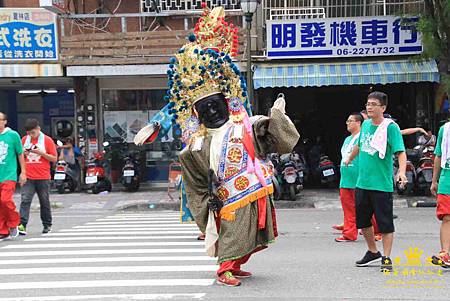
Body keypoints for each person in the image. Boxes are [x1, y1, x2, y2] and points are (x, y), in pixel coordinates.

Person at [137, 6, 299, 287]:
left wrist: (276, 117)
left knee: (251, 231)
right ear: (197, 113)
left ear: (226, 102)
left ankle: (235, 265)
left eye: (216, 104)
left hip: (256, 186)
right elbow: (195, 181)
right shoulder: (197, 144)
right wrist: (156, 125)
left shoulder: (244, 123)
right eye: (205, 108)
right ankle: (224, 268)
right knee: (235, 231)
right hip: (230, 194)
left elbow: (273, 136)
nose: (212, 111)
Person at [345, 91, 407, 272]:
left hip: (381, 184)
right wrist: (350, 157)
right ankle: (373, 252)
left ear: (383, 108)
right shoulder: (364, 125)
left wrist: (402, 172)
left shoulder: (390, 128)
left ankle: (386, 257)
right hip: (362, 183)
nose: (369, 107)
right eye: (368, 104)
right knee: (363, 222)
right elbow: (360, 144)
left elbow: (400, 151)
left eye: (373, 104)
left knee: (385, 222)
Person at [19, 118, 57, 235]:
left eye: (33, 133)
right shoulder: (24, 140)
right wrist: (24, 155)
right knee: (25, 200)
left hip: (43, 176)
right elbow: (20, 157)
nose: (31, 135)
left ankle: (47, 225)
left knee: (44, 201)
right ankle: (22, 225)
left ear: (38, 129)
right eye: (29, 133)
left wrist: (41, 153)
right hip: (29, 176)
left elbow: (54, 158)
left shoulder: (47, 140)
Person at [335, 113, 364, 242]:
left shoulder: (363, 137)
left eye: (350, 121)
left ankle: (377, 230)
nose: (347, 123)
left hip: (359, 177)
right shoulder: (347, 139)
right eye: (347, 121)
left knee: (365, 207)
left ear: (358, 123)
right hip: (346, 178)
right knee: (348, 208)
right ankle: (350, 232)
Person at [0, 112, 26, 241]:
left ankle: (14, 222)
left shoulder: (13, 135)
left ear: (5, 121)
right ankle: (3, 230)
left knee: (5, 200)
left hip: (9, 174)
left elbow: (20, 154)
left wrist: (23, 172)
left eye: (0, 120)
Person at [430, 121, 450, 267]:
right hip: (446, 179)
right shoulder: (445, 129)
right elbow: (438, 155)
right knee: (447, 217)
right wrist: (434, 180)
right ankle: (445, 254)